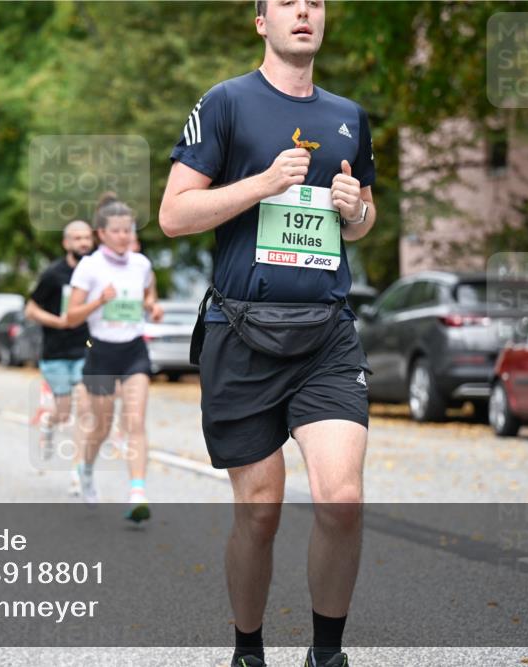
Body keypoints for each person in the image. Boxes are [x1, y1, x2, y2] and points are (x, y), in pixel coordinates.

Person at [158, 2, 377, 665]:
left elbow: (365, 217)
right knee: (260, 509)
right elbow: (173, 213)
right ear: (262, 22)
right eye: (286, 2)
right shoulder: (226, 103)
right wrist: (260, 184)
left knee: (341, 497)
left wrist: (355, 210)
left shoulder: (349, 115)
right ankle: (248, 649)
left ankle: (326, 653)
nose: (304, 11)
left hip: (326, 335)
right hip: (242, 331)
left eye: (314, 2)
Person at [65, 193, 163, 523]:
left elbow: (150, 291)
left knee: (135, 420)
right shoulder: (89, 267)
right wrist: (98, 302)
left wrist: (153, 306)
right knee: (102, 428)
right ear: (101, 234)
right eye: (118, 231)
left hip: (134, 350)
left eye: (129, 230)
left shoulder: (141, 264)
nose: (125, 236)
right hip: (101, 351)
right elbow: (71, 318)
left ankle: (138, 492)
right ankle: (86, 468)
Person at [24, 220, 94, 480]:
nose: (84, 243)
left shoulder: (96, 273)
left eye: (87, 238)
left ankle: (78, 469)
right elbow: (29, 310)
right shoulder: (54, 274)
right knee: (63, 412)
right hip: (56, 352)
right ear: (66, 243)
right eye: (77, 238)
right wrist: (59, 321)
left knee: (84, 408)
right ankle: (49, 422)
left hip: (85, 348)